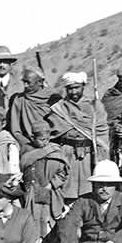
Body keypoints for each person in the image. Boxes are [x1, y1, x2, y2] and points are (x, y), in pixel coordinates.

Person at [47, 71, 109, 202]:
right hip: (67, 153)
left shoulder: (95, 106)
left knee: (89, 191)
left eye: (77, 88)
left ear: (83, 87)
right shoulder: (59, 108)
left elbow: (101, 131)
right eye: (70, 88)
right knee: (67, 189)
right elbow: (53, 130)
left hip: (89, 155)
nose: (73, 92)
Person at [20, 121, 68, 243]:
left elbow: (63, 173)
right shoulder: (26, 151)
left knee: (46, 220)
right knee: (32, 220)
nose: (45, 143)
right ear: (32, 138)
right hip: (31, 194)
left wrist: (51, 185)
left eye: (47, 139)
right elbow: (21, 168)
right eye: (41, 140)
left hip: (49, 193)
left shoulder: (55, 151)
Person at [8, 66, 61, 154]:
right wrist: (28, 145)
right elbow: (16, 131)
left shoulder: (53, 99)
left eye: (28, 82)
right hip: (28, 146)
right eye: (24, 82)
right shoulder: (19, 100)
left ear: (40, 82)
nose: (25, 86)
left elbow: (59, 127)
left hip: (52, 145)